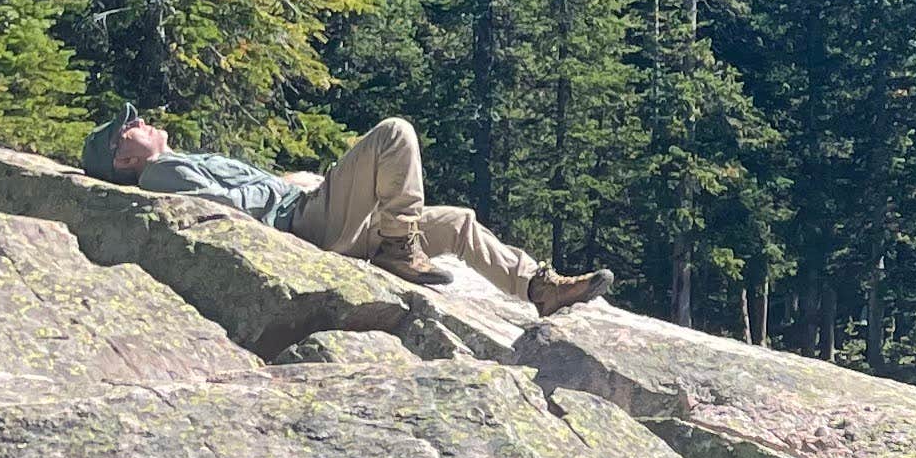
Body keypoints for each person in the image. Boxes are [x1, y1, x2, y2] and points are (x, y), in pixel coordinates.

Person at [77, 109, 610, 315]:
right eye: (132, 128)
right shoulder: (160, 173)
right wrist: (291, 196)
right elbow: (221, 206)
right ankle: (400, 248)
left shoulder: (169, 164)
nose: (143, 120)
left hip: (308, 213)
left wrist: (286, 183)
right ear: (124, 159)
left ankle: (538, 289)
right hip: (304, 223)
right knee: (395, 134)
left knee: (456, 223)